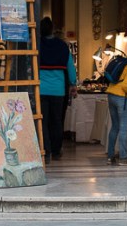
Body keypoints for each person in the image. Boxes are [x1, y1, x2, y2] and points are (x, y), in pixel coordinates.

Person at [38, 16, 77, 163]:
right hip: (58, 90)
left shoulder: (38, 44)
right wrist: (73, 84)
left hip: (41, 89)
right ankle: (56, 150)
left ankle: (46, 151)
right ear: (52, 29)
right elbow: (70, 67)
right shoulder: (62, 46)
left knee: (43, 121)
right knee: (57, 121)